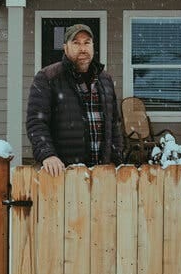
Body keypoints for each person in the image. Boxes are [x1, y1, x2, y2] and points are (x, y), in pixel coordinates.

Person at [26, 24, 123, 176]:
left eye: (87, 42)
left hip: (101, 174)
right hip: (63, 174)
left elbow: (114, 123)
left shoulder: (105, 80)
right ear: (65, 47)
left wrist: (116, 159)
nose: (82, 48)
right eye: (76, 43)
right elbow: (36, 122)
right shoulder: (47, 77)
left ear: (93, 46)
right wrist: (47, 154)